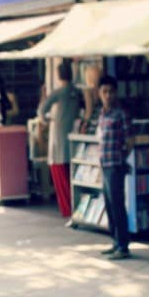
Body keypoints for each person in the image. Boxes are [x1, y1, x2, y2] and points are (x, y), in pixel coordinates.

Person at [38, 62, 83, 218]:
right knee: (72, 175)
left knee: (60, 175)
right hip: (74, 138)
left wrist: (46, 120)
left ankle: (66, 209)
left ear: (58, 75)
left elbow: (42, 110)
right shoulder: (77, 92)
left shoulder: (58, 93)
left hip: (58, 139)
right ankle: (76, 207)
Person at [97, 75, 132, 260]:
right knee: (109, 205)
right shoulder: (102, 114)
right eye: (104, 92)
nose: (108, 95)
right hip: (104, 164)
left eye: (111, 91)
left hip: (115, 165)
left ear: (116, 93)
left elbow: (129, 139)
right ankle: (115, 241)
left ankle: (123, 246)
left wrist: (122, 157)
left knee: (118, 205)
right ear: (99, 93)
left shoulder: (121, 113)